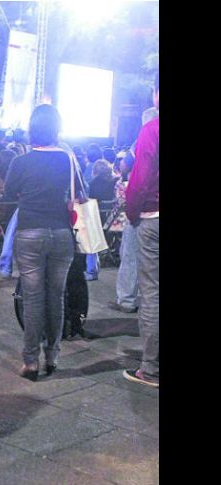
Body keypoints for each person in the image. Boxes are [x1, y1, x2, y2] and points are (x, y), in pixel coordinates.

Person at [2, 104, 85, 381]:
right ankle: (53, 355)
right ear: (56, 129)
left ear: (31, 130)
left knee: (33, 298)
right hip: (61, 233)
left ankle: (30, 361)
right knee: (56, 297)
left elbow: (9, 194)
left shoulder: (21, 162)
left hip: (30, 233)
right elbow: (81, 195)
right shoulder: (68, 159)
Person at [123, 73, 159, 388]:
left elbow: (141, 176)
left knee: (152, 292)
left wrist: (131, 211)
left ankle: (151, 368)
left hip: (154, 218)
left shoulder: (152, 129)